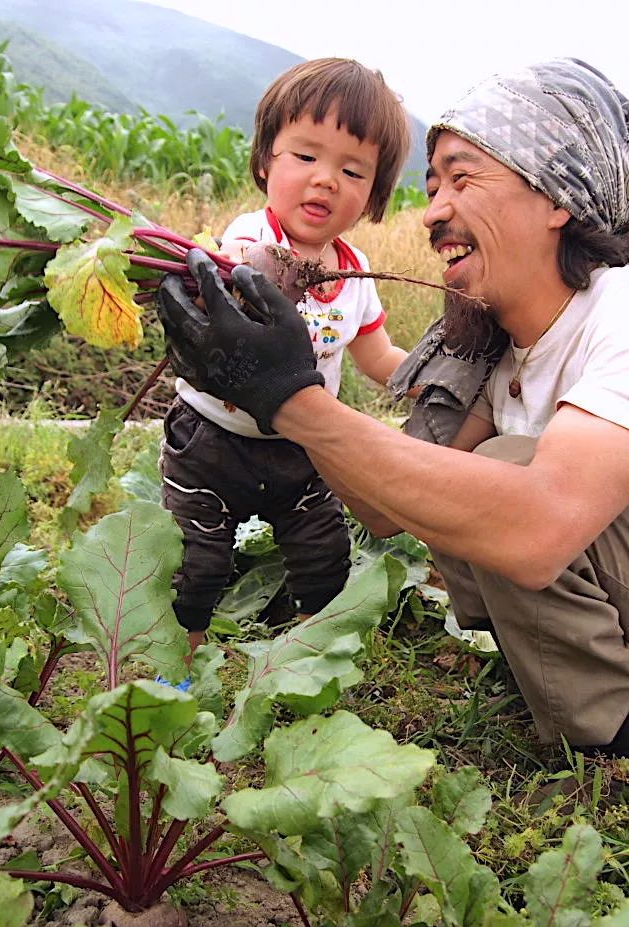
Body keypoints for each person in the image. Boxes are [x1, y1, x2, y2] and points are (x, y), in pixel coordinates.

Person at [157, 58, 629, 753]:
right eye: (431, 187)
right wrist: (293, 374)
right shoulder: (495, 349)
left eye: (462, 177)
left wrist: (291, 401)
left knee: (506, 473)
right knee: (459, 478)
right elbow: (385, 508)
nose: (436, 211)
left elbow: (534, 530)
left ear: (556, 196)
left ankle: (619, 759)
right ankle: (598, 711)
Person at [160, 58, 412, 654]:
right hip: (211, 442)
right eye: (306, 157)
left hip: (302, 448)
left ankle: (307, 658)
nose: (325, 180)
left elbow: (378, 358)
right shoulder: (248, 242)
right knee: (194, 564)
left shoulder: (355, 275)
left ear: (373, 194)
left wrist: (432, 380)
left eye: (352, 170)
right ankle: (178, 662)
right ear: (266, 160)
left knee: (324, 556)